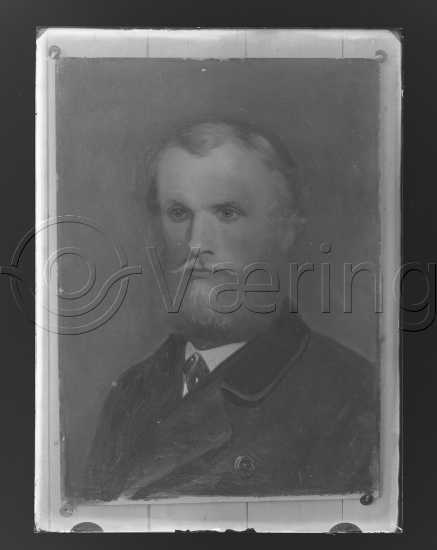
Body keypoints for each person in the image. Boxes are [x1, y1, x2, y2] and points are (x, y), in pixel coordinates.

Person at [80, 120, 378, 502]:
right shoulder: (130, 391)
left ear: (286, 231)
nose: (196, 243)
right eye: (178, 212)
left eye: (226, 212)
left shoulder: (352, 398)